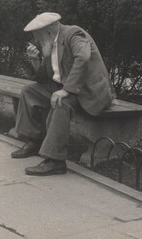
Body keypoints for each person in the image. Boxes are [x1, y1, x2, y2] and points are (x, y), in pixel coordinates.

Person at [11, 12, 115, 176]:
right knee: (29, 91)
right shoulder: (50, 44)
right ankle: (34, 141)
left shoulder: (73, 34)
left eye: (36, 35)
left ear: (47, 32)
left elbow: (83, 57)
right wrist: (36, 61)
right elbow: (43, 79)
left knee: (61, 103)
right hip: (66, 88)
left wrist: (66, 90)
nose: (36, 40)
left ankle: (55, 161)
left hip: (88, 92)